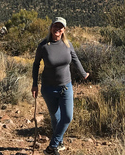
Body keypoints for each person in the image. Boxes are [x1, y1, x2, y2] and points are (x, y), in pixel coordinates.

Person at [32, 17, 89, 155]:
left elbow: (75, 59)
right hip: (49, 88)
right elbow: (36, 64)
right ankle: (59, 143)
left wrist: (83, 73)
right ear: (51, 27)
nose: (57, 29)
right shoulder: (44, 45)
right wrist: (34, 84)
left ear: (64, 30)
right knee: (55, 117)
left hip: (66, 86)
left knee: (67, 117)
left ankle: (51, 147)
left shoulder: (67, 44)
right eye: (55, 26)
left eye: (60, 27)